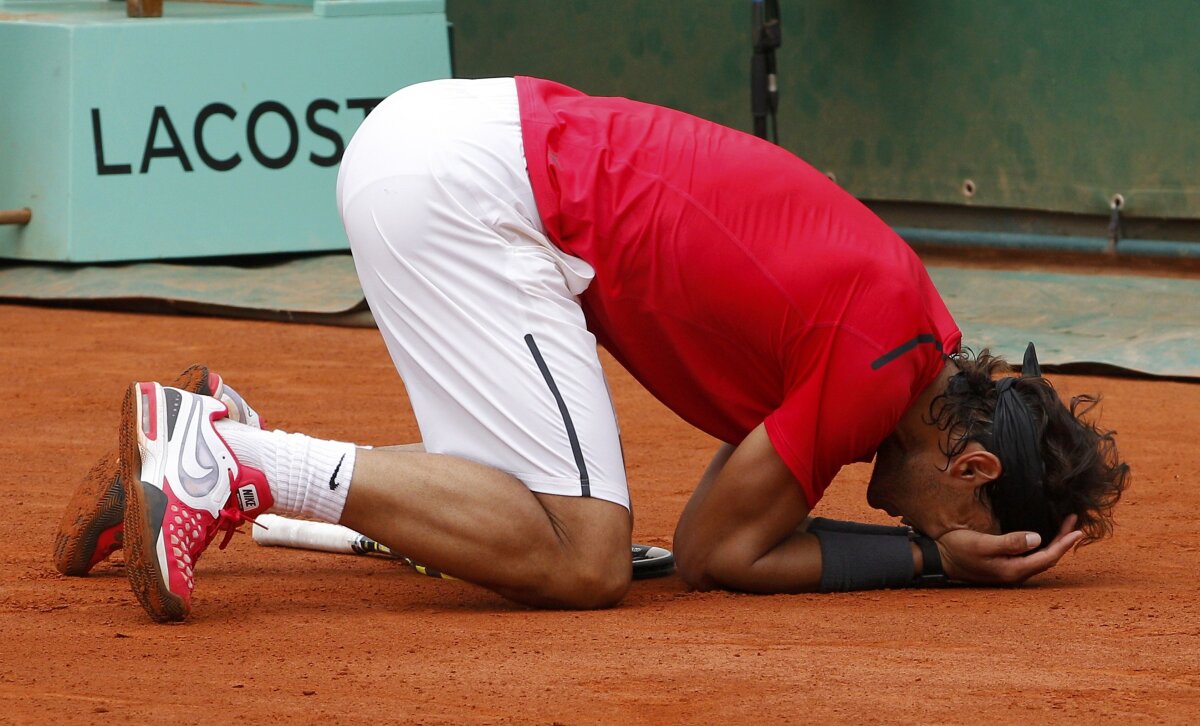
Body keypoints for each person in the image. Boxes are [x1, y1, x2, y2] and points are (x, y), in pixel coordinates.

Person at [60, 77, 1130, 622]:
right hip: (481, 195)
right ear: (972, 466)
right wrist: (931, 559)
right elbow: (714, 551)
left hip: (452, 155)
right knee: (580, 555)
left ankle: (238, 449)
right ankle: (227, 460)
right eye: (961, 514)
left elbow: (730, 521)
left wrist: (930, 544)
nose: (907, 510)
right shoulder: (877, 365)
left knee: (511, 528)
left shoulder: (909, 335)